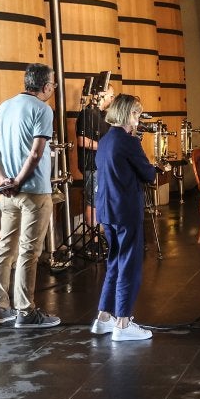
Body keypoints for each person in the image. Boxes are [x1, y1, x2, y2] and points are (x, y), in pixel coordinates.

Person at [0, 63, 61, 329]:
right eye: (53, 83)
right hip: (34, 191)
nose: (53, 88)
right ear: (45, 86)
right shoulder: (43, 109)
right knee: (29, 251)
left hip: (7, 192)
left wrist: (4, 181)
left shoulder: (3, 107)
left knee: (5, 248)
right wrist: (18, 180)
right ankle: (26, 312)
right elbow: (36, 153)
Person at [90, 94, 162, 342]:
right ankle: (123, 322)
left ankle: (103, 317)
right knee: (129, 264)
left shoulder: (106, 140)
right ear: (128, 114)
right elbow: (148, 174)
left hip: (107, 210)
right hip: (125, 210)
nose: (138, 118)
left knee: (114, 261)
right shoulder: (128, 141)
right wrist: (155, 167)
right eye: (136, 113)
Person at [76, 80, 115, 229]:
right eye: (110, 96)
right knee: (93, 201)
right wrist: (104, 147)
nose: (112, 99)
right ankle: (94, 240)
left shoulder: (102, 116)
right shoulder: (87, 114)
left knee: (100, 200)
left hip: (101, 164)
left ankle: (100, 235)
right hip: (91, 165)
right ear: (102, 95)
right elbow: (82, 141)